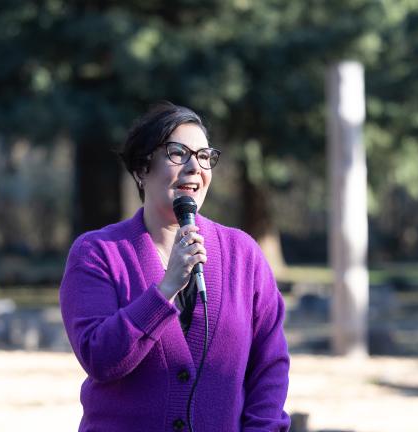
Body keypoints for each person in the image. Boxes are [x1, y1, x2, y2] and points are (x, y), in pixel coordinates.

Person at [59, 101, 290, 431]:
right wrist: (166, 288)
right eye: (178, 153)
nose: (195, 167)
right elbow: (100, 359)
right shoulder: (97, 253)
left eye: (204, 156)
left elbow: (270, 365)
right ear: (142, 168)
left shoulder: (244, 254)